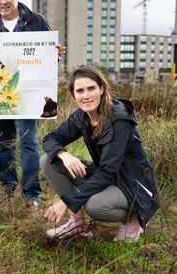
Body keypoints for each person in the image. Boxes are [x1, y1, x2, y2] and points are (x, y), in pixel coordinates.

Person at [0, 0, 65, 208]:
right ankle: (8, 188)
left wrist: (56, 54)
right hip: (0, 93)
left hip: (30, 94)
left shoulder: (37, 21)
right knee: (4, 142)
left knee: (29, 141)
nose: (4, 1)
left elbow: (49, 55)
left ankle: (31, 194)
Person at [41, 66, 159, 241]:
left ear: (102, 89)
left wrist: (65, 202)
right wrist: (64, 155)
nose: (86, 95)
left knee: (95, 206)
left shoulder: (119, 119)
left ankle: (134, 218)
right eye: (80, 91)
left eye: (91, 88)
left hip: (133, 185)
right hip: (108, 177)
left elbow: (108, 171)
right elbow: (51, 138)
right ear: (74, 95)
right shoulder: (82, 117)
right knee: (48, 161)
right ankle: (78, 224)